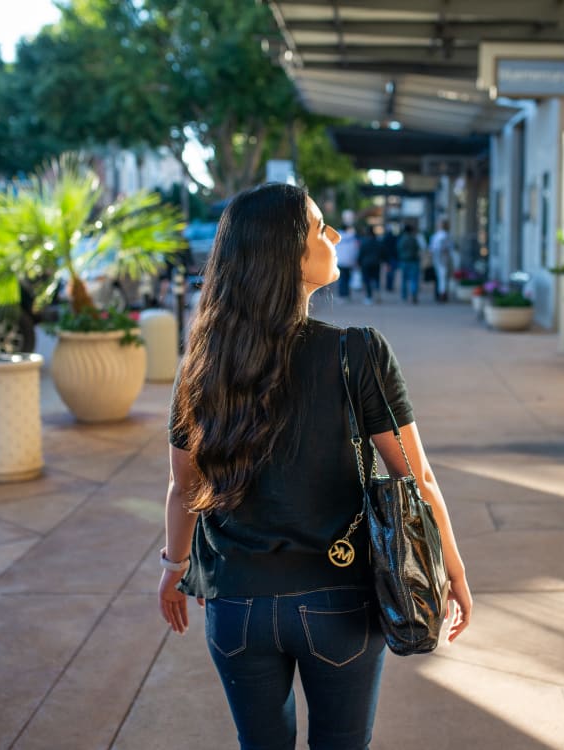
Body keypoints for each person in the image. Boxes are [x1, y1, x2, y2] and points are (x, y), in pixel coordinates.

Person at [160, 183, 473, 750]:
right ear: (289, 255)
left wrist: (173, 566)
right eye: (320, 227)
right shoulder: (357, 352)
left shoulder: (201, 366)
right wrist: (450, 568)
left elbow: (185, 488)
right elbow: (416, 479)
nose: (335, 236)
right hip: (340, 599)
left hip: (236, 603)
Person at [357, 225, 383, 305]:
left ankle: (369, 297)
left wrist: (359, 262)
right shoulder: (378, 241)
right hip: (376, 263)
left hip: (366, 264)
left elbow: (361, 253)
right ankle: (378, 293)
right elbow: (382, 252)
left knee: (367, 281)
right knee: (376, 279)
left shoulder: (364, 242)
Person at [396, 223, 421, 304]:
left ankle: (404, 296)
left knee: (404, 280)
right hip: (413, 261)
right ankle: (413, 294)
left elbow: (398, 249)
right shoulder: (414, 239)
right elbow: (418, 248)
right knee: (414, 279)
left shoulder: (402, 239)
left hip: (404, 261)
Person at [429, 219, 453, 303]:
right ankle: (442, 293)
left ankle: (441, 293)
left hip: (440, 258)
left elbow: (433, 248)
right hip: (441, 259)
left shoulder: (440, 236)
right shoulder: (441, 235)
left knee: (441, 277)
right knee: (442, 277)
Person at [334, 221, 359, 300]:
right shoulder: (352, 237)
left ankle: (342, 295)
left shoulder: (337, 237)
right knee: (348, 278)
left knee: (342, 279)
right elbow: (355, 249)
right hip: (350, 261)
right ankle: (347, 294)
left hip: (340, 261)